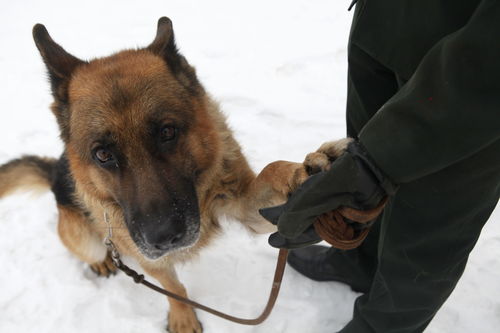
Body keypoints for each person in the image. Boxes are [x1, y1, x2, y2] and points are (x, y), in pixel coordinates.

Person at [260, 0, 500, 332]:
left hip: (473, 82)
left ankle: (382, 327)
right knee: (362, 167)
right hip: (383, 27)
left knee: (428, 233)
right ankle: (361, 259)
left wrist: (375, 164)